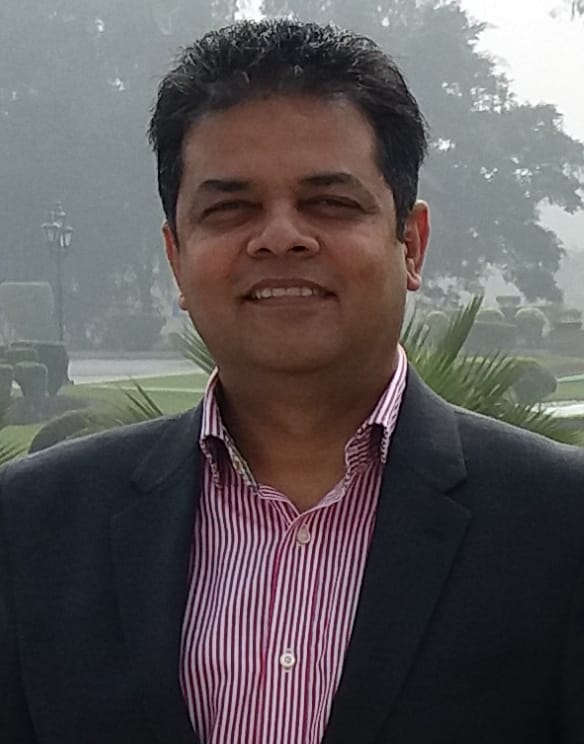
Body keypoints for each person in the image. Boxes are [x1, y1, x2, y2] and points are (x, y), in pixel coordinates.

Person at [1, 18, 583, 744]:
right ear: (176, 257)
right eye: (230, 208)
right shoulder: (33, 529)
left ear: (411, 243)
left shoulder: (560, 527)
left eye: (329, 203)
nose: (280, 235)